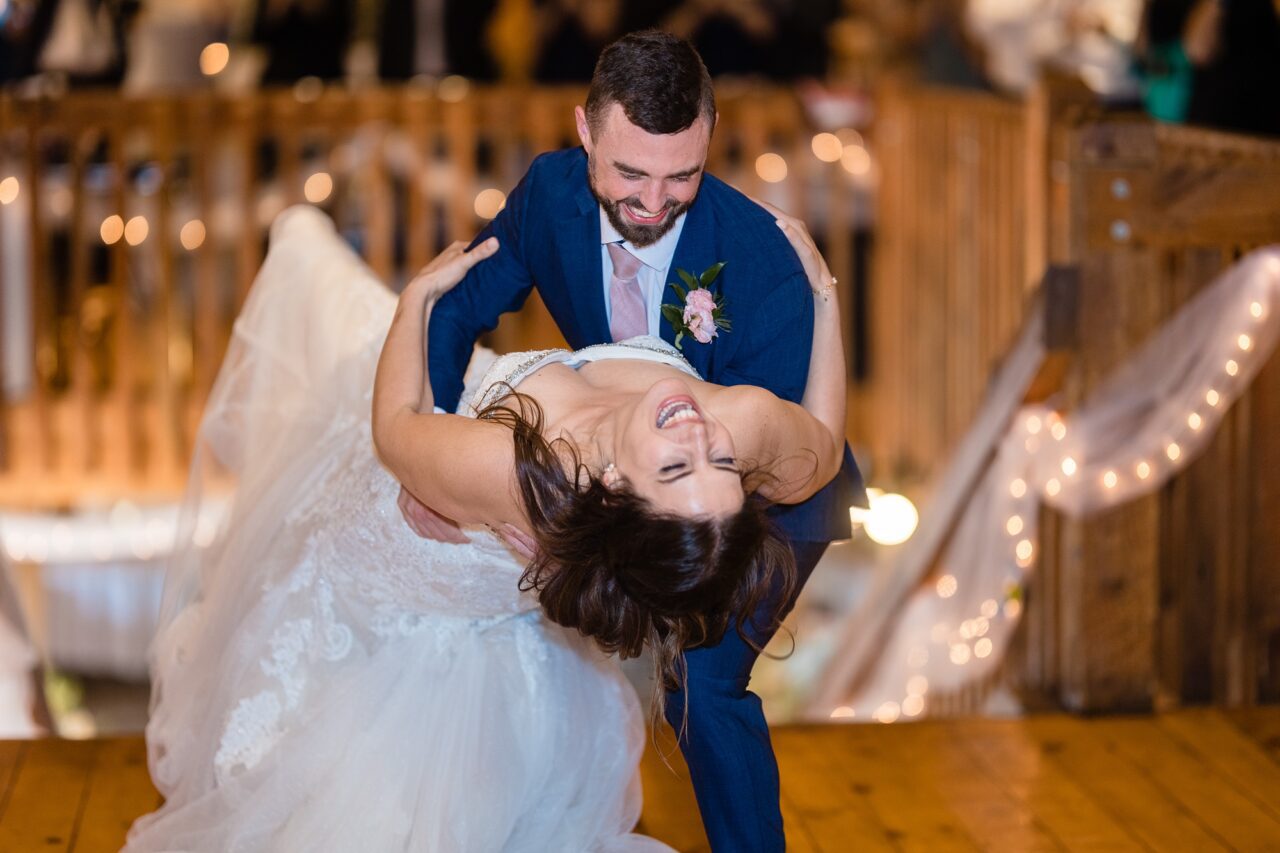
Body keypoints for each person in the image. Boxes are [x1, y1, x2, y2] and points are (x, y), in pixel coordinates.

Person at [126, 184, 847, 848]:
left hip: (397, 535)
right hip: (475, 479)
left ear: (615, 484)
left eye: (675, 466)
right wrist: (825, 298)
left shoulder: (511, 469)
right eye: (720, 466)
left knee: (311, 271)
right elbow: (825, 441)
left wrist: (412, 306)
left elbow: (396, 432)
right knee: (307, 257)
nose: (699, 435)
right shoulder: (740, 425)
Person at [418, 29, 865, 852]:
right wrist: (437, 448)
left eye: (682, 176)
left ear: (710, 135)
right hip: (643, 465)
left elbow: (778, 461)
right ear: (585, 130)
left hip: (768, 489)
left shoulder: (761, 263)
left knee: (702, 675)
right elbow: (455, 307)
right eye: (629, 172)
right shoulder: (549, 196)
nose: (655, 204)